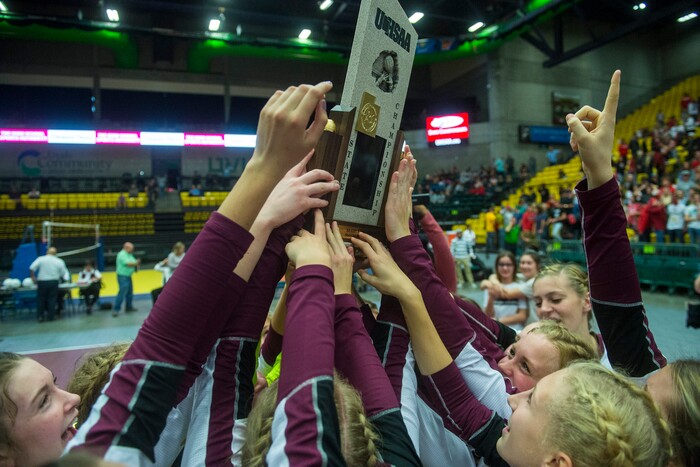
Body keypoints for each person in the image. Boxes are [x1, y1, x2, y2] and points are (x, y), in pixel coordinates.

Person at [566, 69, 699, 465]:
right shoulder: (654, 380)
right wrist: (599, 175)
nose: (628, 387)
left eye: (641, 397)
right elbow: (620, 308)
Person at [482, 251, 528, 331]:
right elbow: (487, 314)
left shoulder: (520, 286)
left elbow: (522, 315)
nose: (505, 268)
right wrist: (491, 297)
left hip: (515, 330)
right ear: (496, 267)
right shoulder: (490, 285)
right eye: (501, 264)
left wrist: (497, 321)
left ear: (514, 266)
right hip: (495, 331)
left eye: (509, 265)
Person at [29, 246, 69, 322]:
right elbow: (63, 273)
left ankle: (40, 317)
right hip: (53, 282)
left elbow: (31, 268)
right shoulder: (59, 261)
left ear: (47, 252)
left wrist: (33, 277)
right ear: (56, 253)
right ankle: (51, 317)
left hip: (42, 282)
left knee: (41, 299)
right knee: (52, 299)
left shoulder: (41, 259)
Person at [112, 242, 140, 317]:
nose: (132, 250)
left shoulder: (129, 254)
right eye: (131, 248)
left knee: (130, 292)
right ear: (126, 247)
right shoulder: (122, 254)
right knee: (122, 292)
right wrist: (136, 263)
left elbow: (134, 262)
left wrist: (136, 263)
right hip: (122, 276)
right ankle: (116, 309)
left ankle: (129, 307)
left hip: (128, 276)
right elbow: (129, 263)